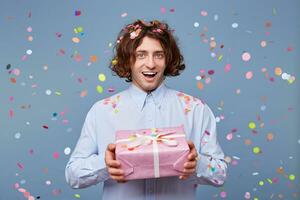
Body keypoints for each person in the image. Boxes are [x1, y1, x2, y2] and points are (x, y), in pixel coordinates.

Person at [65, 19, 227, 200]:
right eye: (141, 54)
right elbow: (73, 175)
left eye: (158, 55)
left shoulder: (196, 109)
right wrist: (105, 164)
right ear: (128, 59)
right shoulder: (102, 111)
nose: (150, 64)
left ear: (168, 59)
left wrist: (197, 164)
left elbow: (219, 173)